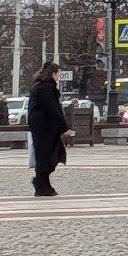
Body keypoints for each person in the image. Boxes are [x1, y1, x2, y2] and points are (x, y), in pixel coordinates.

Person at [27, 63, 74, 196]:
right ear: (53, 74)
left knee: (46, 155)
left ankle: (42, 184)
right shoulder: (47, 88)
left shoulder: (40, 87)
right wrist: (64, 128)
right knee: (46, 156)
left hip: (42, 126)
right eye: (58, 73)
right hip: (44, 127)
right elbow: (53, 109)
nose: (59, 76)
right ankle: (41, 184)